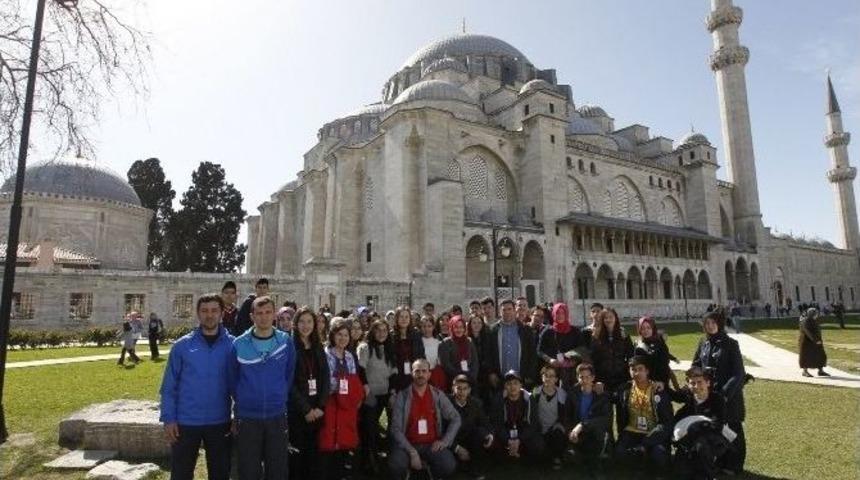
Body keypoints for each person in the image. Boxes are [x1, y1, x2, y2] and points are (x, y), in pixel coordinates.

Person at [159, 293, 234, 480]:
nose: (209, 315)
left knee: (220, 474)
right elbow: (169, 386)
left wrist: (239, 415)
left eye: (214, 310)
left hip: (220, 421)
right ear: (198, 314)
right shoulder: (182, 346)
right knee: (181, 474)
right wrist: (169, 419)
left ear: (222, 313)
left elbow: (241, 385)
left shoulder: (233, 345)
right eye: (205, 311)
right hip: (186, 422)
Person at [229, 295, 296, 480]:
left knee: (278, 470)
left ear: (274, 314)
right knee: (249, 470)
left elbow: (289, 374)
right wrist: (244, 400)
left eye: (268, 312)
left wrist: (279, 393)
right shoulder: (239, 344)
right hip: (248, 417)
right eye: (259, 313)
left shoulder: (285, 342)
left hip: (277, 415)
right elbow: (232, 379)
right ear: (252, 316)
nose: (264, 317)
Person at [692, 310, 747, 475]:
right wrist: (694, 379)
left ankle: (735, 464)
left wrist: (724, 393)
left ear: (719, 324)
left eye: (713, 323)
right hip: (709, 395)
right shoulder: (703, 343)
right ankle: (721, 460)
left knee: (733, 429)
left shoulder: (730, 344)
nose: (710, 326)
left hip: (728, 396)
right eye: (707, 323)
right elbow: (695, 364)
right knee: (716, 428)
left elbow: (739, 373)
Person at [388, 358, 462, 480]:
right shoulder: (403, 396)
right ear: (412, 373)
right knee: (396, 465)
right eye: (417, 371)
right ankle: (408, 472)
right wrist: (411, 451)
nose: (420, 374)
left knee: (448, 465)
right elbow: (395, 428)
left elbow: (455, 418)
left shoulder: (438, 395)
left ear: (429, 374)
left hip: (431, 444)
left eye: (424, 371)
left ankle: (429, 472)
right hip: (408, 444)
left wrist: (445, 441)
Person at [319, 318, 367, 480]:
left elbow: (354, 379)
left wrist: (352, 392)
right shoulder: (326, 354)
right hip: (331, 403)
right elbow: (328, 382)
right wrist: (344, 383)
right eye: (339, 335)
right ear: (333, 336)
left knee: (345, 441)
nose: (343, 338)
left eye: (346, 335)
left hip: (347, 406)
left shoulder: (349, 356)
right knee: (330, 440)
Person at [289, 306, 331, 480]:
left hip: (317, 410)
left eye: (309, 321)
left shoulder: (318, 346)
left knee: (314, 457)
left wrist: (321, 405)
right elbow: (289, 383)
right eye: (302, 322)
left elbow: (325, 376)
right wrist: (306, 409)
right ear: (296, 324)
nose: (306, 326)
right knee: (297, 458)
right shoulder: (290, 347)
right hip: (299, 412)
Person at [614, 356, 673, 477]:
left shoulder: (657, 390)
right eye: (633, 369)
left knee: (658, 455)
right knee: (620, 453)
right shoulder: (624, 390)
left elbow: (666, 423)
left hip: (654, 432)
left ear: (647, 371)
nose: (636, 373)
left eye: (640, 369)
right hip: (632, 431)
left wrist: (645, 443)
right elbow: (609, 397)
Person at [672, 367, 731, 480]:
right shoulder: (690, 398)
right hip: (690, 440)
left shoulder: (717, 399)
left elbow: (717, 426)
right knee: (681, 474)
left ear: (708, 383)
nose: (696, 386)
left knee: (701, 446)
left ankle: (709, 474)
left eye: (700, 382)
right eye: (692, 383)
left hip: (712, 440)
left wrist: (696, 427)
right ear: (688, 385)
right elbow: (678, 415)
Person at [357, 319, 398, 474]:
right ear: (373, 332)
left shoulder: (389, 348)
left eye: (384, 330)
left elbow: (394, 372)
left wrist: (393, 392)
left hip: (386, 393)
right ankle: (369, 463)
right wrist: (367, 390)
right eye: (378, 330)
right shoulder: (365, 347)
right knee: (369, 430)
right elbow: (361, 370)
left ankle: (386, 460)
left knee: (389, 428)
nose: (381, 334)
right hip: (370, 395)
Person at [484, 299, 538, 391]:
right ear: (500, 312)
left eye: (509, 309)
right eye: (504, 310)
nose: (507, 312)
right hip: (500, 379)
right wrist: (491, 373)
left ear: (514, 310)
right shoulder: (493, 330)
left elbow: (532, 354)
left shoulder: (525, 330)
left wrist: (530, 375)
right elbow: (488, 354)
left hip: (521, 378)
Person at [489, 370, 543, 462]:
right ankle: (512, 452)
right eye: (509, 384)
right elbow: (497, 424)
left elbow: (533, 424)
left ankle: (517, 453)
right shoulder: (498, 399)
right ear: (505, 386)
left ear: (521, 385)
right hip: (506, 431)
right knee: (492, 446)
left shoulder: (529, 399)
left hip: (523, 431)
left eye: (515, 383)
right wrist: (508, 440)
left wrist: (519, 440)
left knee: (539, 446)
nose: (512, 386)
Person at [567, 363, 610, 475]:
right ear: (577, 378)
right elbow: (567, 416)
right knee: (575, 459)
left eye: (588, 377)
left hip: (593, 432)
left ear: (593, 377)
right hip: (577, 433)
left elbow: (604, 419)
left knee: (592, 458)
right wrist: (571, 431)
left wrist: (582, 425)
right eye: (581, 377)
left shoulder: (601, 396)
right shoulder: (572, 394)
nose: (585, 380)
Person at [448, 374, 494, 479]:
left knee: (481, 433)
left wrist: (490, 435)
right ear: (453, 388)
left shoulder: (476, 403)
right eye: (458, 388)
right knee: (451, 467)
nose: (462, 392)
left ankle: (475, 468)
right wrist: (457, 448)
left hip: (470, 439)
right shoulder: (446, 403)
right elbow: (441, 431)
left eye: (465, 389)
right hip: (451, 441)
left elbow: (485, 422)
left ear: (469, 390)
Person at [528, 365, 570, 469]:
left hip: (554, 428)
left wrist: (558, 425)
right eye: (545, 375)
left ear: (556, 379)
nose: (548, 378)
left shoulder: (562, 394)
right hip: (539, 428)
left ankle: (557, 457)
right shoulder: (536, 392)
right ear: (542, 377)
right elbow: (531, 413)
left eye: (552, 376)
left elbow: (564, 415)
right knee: (538, 450)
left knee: (558, 434)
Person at [538, 302, 584, 388]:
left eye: (562, 313)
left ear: (566, 314)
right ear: (553, 314)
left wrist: (573, 361)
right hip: (553, 371)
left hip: (571, 372)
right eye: (557, 313)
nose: (560, 315)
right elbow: (539, 350)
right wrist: (550, 360)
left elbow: (581, 348)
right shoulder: (548, 331)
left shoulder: (575, 332)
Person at [590, 308, 634, 394]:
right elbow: (593, 358)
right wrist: (596, 380)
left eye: (611, 317)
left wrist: (630, 377)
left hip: (621, 378)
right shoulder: (597, 336)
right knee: (605, 405)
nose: (608, 320)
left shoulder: (623, 335)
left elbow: (631, 356)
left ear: (615, 318)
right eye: (605, 318)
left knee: (622, 404)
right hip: (603, 379)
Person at [634, 316, 680, 390]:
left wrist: (673, 358)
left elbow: (664, 358)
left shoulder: (659, 341)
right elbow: (638, 367)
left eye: (648, 328)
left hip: (663, 379)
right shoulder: (638, 346)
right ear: (639, 330)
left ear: (653, 328)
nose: (646, 330)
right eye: (643, 328)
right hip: (648, 382)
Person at [391, 306, 425, 392]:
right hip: (397, 375)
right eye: (401, 317)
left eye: (406, 317)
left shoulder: (416, 335)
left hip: (414, 374)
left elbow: (421, 355)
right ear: (396, 319)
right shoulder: (391, 336)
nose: (404, 319)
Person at [439, 315, 480, 386]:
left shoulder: (469, 341)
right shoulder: (445, 343)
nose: (459, 330)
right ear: (451, 328)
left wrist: (471, 376)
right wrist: (460, 376)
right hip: (453, 380)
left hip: (470, 380)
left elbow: (475, 362)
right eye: (456, 327)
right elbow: (446, 365)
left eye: (461, 327)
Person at [798, 307, 831, 377]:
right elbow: (808, 332)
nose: (817, 315)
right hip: (807, 342)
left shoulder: (813, 320)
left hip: (816, 341)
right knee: (807, 357)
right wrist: (815, 340)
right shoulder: (805, 321)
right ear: (811, 314)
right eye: (815, 313)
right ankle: (805, 371)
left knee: (820, 355)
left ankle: (821, 371)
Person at [420, 315, 447, 390]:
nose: (426, 329)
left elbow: (440, 362)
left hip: (434, 376)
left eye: (429, 326)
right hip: (420, 375)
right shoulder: (418, 342)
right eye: (424, 326)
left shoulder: (438, 343)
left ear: (433, 327)